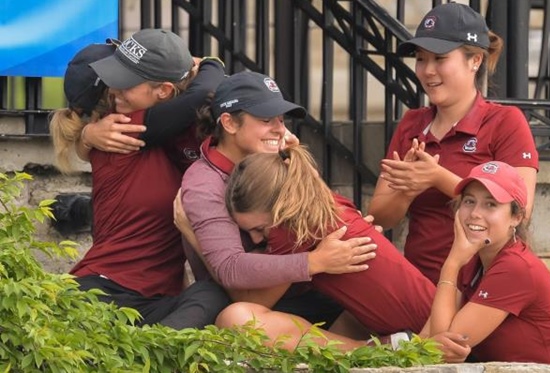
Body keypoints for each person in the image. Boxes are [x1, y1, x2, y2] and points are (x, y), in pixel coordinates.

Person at [49, 29, 230, 329]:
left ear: (164, 91)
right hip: (103, 289)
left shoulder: (168, 130)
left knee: (211, 295)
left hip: (156, 301)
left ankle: (156, 347)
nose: (116, 90)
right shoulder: (122, 128)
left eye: (125, 82)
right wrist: (211, 63)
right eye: (112, 85)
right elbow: (201, 93)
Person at [178, 71, 379, 330]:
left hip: (317, 290)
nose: (279, 129)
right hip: (258, 305)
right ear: (228, 123)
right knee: (240, 320)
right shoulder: (204, 182)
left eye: (281, 119)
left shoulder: (280, 158)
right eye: (265, 119)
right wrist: (313, 261)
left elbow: (323, 217)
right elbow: (230, 267)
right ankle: (369, 348)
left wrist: (354, 230)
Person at [368, 2, 539, 284]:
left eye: (440, 58)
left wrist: (437, 177)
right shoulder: (412, 123)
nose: (427, 70)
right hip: (418, 281)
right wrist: (409, 189)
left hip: (482, 287)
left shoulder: (505, 122)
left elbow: (521, 210)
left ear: (475, 61)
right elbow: (380, 218)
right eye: (421, 59)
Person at [216, 144, 437, 351]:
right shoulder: (323, 203)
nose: (256, 240)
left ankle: (367, 351)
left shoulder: (291, 230)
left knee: (236, 318)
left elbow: (255, 303)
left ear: (280, 208)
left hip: (426, 332)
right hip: (422, 316)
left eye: (260, 228)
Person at [420, 161, 550, 363]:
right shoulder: (474, 259)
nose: (475, 213)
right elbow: (428, 338)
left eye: (490, 204)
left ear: (516, 217)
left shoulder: (515, 267)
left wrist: (451, 263)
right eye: (469, 201)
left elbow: (443, 350)